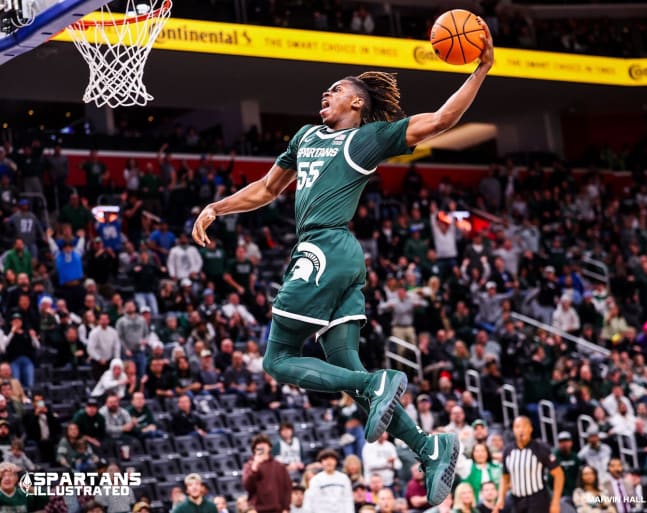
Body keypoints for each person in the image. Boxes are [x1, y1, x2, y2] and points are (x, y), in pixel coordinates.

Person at [192, 28, 494, 504]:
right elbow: (267, 190)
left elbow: (438, 120)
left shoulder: (366, 140)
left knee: (278, 359)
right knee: (342, 361)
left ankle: (376, 382)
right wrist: (218, 207)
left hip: (324, 249)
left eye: (336, 90)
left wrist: (481, 70)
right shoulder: (305, 136)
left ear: (357, 105)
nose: (326, 94)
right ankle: (428, 446)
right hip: (343, 260)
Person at [495, 416, 564, 513]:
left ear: (530, 429)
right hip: (516, 500)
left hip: (537, 498)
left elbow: (559, 474)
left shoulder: (541, 448)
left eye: (524, 426)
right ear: (514, 430)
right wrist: (500, 498)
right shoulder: (508, 450)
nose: (521, 430)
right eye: (517, 427)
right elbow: (505, 477)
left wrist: (556, 502)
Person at [242, 434, 292, 513]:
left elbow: (287, 488)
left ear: (270, 447)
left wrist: (286, 508)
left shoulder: (279, 466)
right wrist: (254, 468)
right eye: (258, 445)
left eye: (264, 443)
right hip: (256, 509)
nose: (262, 447)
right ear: (254, 449)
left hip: (277, 510)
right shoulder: (249, 466)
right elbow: (248, 486)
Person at [303, 449, 354, 513]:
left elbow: (348, 500)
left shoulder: (344, 478)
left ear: (336, 461)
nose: (329, 462)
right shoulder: (315, 480)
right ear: (321, 462)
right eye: (325, 459)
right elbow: (310, 502)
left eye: (331, 459)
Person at [553, 431, 580, 497]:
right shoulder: (554, 457)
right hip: (559, 493)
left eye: (567, 441)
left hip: (574, 492)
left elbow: (578, 475)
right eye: (562, 442)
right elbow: (551, 478)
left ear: (571, 443)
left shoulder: (575, 457)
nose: (564, 444)